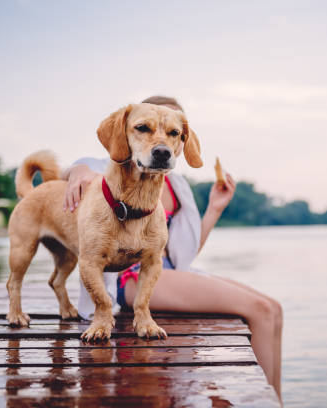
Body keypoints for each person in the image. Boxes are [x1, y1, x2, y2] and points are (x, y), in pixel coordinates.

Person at [62, 96, 283, 399]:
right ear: (128, 133)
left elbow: (186, 252)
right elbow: (81, 167)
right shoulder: (116, 167)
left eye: (171, 133)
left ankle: (275, 400)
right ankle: (265, 403)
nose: (160, 141)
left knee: (274, 309)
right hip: (131, 277)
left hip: (172, 273)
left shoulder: (178, 186)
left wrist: (214, 210)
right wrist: (77, 171)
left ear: (181, 142)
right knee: (259, 310)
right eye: (146, 128)